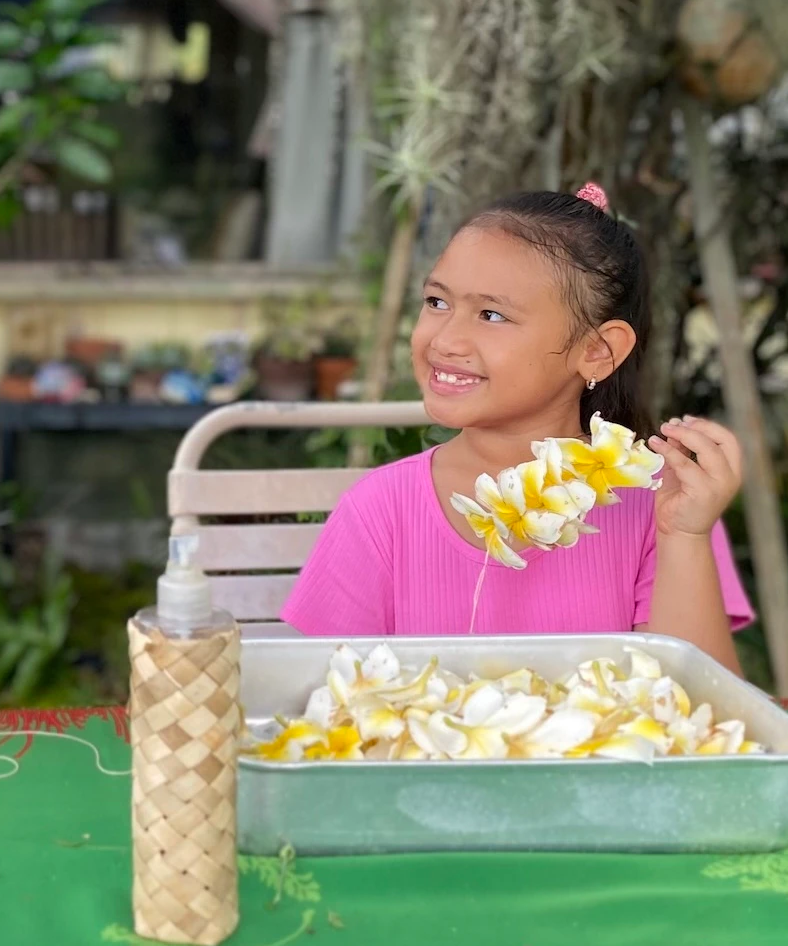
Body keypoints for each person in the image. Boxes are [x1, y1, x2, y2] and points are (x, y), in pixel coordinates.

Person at [284, 184, 754, 671]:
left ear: (597, 351)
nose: (444, 339)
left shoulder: (662, 507)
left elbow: (702, 711)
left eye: (491, 314)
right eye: (436, 302)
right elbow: (329, 697)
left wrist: (684, 537)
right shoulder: (380, 511)